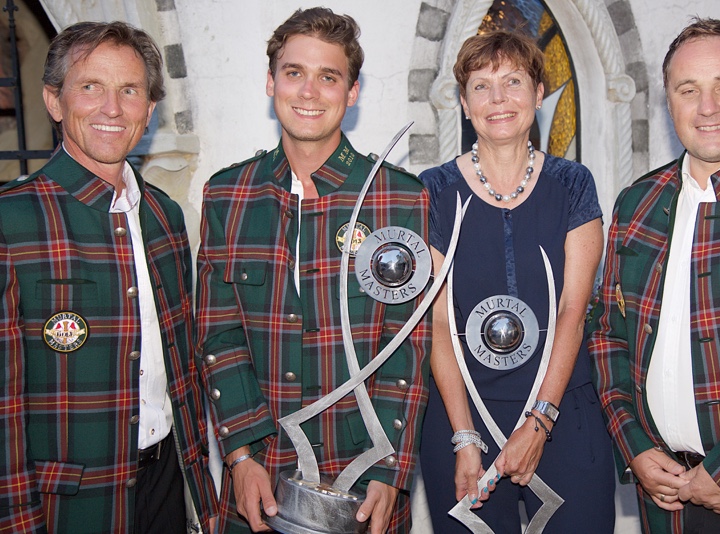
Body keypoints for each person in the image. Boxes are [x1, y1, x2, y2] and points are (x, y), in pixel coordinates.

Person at [195, 7, 430, 534]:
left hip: (364, 471)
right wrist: (240, 455)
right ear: (271, 82)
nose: (308, 91)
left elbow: (408, 343)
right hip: (259, 470)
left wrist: (388, 468)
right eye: (294, 72)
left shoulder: (399, 196)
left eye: (329, 77)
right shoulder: (227, 194)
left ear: (352, 92)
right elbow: (218, 334)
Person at [0, 21, 217, 533]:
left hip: (168, 484)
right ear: (54, 101)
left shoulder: (164, 216)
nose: (112, 108)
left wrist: (204, 499)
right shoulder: (11, 220)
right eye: (91, 86)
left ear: (150, 108)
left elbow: (182, 371)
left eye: (130, 90)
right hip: (66, 504)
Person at [589, 17, 720, 533]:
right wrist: (633, 445)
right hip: (663, 502)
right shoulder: (637, 204)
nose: (707, 107)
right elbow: (607, 335)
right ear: (669, 100)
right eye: (688, 90)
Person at [418, 30, 616, 533]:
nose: (498, 98)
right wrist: (464, 437)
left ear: (539, 93)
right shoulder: (434, 190)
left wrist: (540, 421)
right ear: (465, 105)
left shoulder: (573, 184)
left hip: (562, 409)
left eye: (513, 82)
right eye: (481, 87)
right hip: (462, 413)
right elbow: (435, 322)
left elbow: (573, 310)